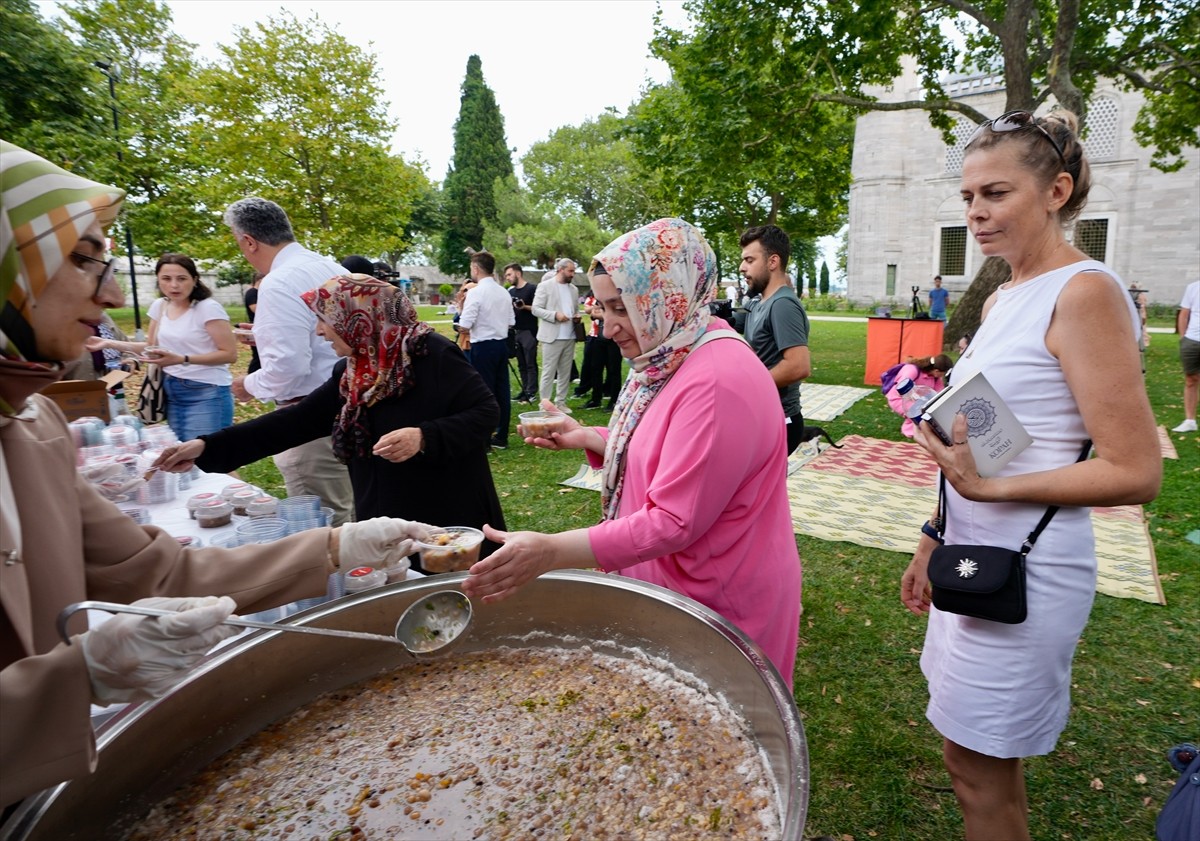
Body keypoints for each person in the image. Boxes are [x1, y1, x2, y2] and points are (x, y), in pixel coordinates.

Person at [0, 142, 430, 808]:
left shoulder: (35, 428)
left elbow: (164, 574)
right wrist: (73, 678)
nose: (113, 291)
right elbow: (295, 418)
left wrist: (336, 548)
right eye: (85, 259)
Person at [899, 110, 1161, 840]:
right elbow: (988, 439)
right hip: (971, 554)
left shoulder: (1084, 291)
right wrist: (933, 534)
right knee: (965, 760)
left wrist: (993, 491)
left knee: (981, 772)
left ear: (1057, 191)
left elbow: (1136, 470)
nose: (977, 212)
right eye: (968, 197)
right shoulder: (1006, 295)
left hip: (1029, 567)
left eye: (996, 193)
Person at [461, 218, 803, 687]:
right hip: (680, 587)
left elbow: (675, 519)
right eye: (602, 307)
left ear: (667, 297)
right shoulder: (675, 349)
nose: (607, 326)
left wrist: (552, 551)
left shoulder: (718, 378)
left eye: (621, 308)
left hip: (718, 598)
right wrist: (591, 437)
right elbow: (669, 446)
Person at [155, 274, 507, 567]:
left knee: (455, 592)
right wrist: (207, 446)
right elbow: (295, 421)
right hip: (383, 506)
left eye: (325, 319)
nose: (321, 331)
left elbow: (485, 412)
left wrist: (424, 436)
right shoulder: (352, 371)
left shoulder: (432, 353)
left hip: (446, 503)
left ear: (358, 318)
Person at [222, 197, 354, 526]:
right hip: (349, 405)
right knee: (353, 509)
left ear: (248, 241)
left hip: (308, 419)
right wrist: (266, 333)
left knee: (328, 524)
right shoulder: (333, 268)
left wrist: (248, 384)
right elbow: (328, 335)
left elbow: (289, 367)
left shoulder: (279, 282)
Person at [739, 225, 812, 455]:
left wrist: (746, 387)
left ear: (773, 262)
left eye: (750, 260)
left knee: (760, 490)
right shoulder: (761, 303)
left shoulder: (783, 305)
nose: (742, 268)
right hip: (763, 415)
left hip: (781, 419)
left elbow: (798, 366)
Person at [457, 252, 515, 448]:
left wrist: (458, 319)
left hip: (482, 345)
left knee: (483, 392)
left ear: (476, 268)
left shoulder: (475, 292)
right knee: (502, 391)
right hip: (501, 344)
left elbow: (465, 324)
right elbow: (511, 322)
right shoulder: (504, 292)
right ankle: (501, 435)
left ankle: (484, 439)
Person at [532, 257, 580, 413]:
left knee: (565, 372)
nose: (573, 274)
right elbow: (535, 309)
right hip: (552, 336)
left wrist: (577, 316)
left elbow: (575, 308)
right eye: (570, 271)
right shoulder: (545, 286)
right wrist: (554, 315)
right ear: (561, 269)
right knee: (548, 371)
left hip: (570, 335)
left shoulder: (574, 289)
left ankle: (560, 402)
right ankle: (544, 404)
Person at [884, 354, 953, 437]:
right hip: (898, 398)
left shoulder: (935, 378)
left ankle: (918, 429)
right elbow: (901, 387)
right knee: (917, 413)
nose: (942, 376)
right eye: (943, 373)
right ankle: (909, 431)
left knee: (926, 411)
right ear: (937, 371)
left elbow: (939, 393)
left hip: (916, 401)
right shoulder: (912, 369)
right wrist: (918, 398)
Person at [505, 262, 538, 403]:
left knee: (530, 363)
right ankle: (524, 390)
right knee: (521, 363)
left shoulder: (531, 289)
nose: (507, 278)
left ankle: (531, 391)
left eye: (509, 274)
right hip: (515, 332)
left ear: (518, 273)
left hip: (529, 331)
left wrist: (524, 306)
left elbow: (538, 309)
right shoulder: (511, 292)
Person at [1172, 279, 1199, 432]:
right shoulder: (1193, 288)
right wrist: (1183, 338)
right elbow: (1184, 314)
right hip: (1192, 341)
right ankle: (1190, 420)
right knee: (1191, 379)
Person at [242, 272, 263, 374]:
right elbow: (255, 308)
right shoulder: (252, 292)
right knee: (258, 357)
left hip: (260, 328)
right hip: (256, 328)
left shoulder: (259, 293)